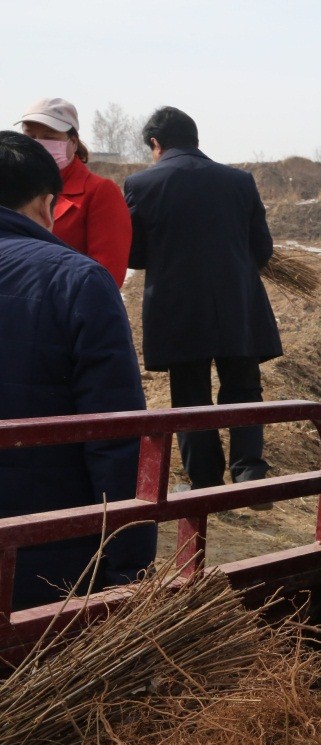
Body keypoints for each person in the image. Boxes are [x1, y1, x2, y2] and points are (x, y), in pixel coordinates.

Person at [0, 131, 155, 609]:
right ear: (48, 205)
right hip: (43, 557)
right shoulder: (75, 279)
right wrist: (130, 568)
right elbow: (114, 431)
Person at [125, 107, 281, 496]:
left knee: (190, 395)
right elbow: (261, 249)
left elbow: (136, 255)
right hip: (237, 304)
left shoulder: (141, 184)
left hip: (178, 309)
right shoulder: (239, 181)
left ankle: (205, 482)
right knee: (244, 387)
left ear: (156, 144)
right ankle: (249, 474)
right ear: (196, 139)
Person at [17, 98, 131, 288]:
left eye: (49, 137)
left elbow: (107, 274)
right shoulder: (14, 188)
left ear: (73, 142)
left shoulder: (99, 192)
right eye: (30, 136)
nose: (37, 144)